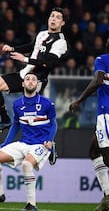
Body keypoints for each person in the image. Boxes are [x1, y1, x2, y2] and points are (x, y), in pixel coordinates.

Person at [69, 34, 109, 211]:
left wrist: (79, 100)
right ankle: (107, 196)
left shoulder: (102, 59)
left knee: (108, 157)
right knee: (94, 151)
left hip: (106, 112)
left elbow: (98, 81)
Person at [0, 7, 68, 130]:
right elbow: (32, 47)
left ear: (62, 23)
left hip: (36, 80)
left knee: (33, 120)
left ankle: (47, 142)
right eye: (52, 16)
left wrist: (24, 59)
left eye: (58, 17)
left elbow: (48, 64)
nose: (54, 19)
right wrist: (12, 49)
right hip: (24, 74)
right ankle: (5, 119)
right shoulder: (42, 34)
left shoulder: (60, 42)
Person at [0, 72, 57, 211]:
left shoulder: (47, 103)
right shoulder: (17, 104)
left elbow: (54, 123)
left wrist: (49, 140)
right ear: (23, 84)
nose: (31, 81)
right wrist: (5, 144)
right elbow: (15, 125)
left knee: (26, 164)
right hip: (23, 143)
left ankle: (31, 204)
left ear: (37, 85)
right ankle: (0, 194)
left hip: (40, 144)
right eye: (27, 79)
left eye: (33, 80)